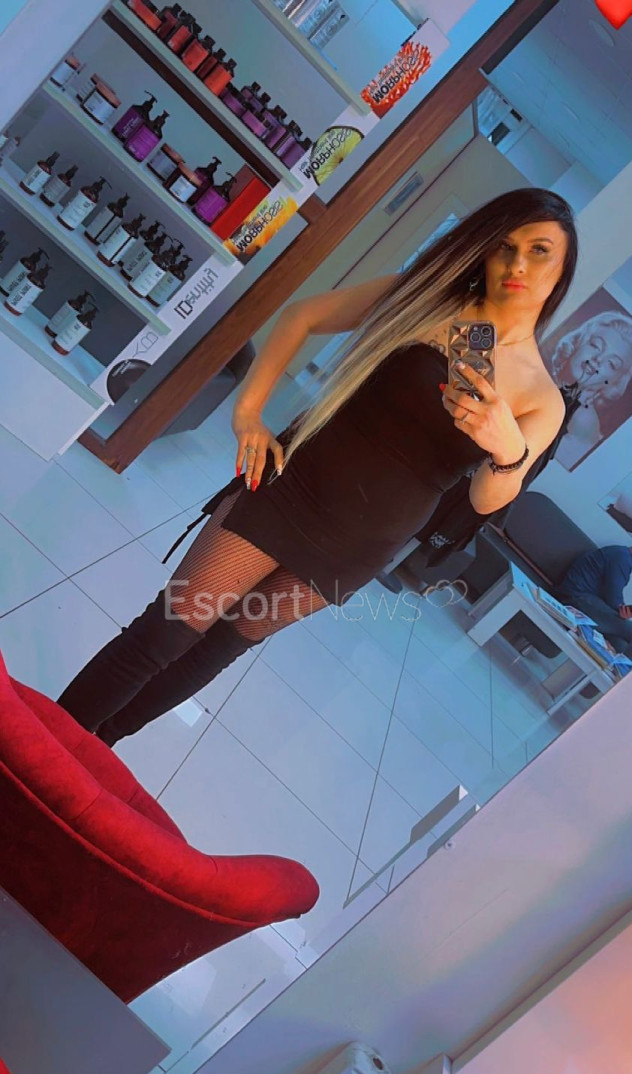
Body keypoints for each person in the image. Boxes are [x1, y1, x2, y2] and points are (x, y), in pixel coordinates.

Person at [57, 187, 578, 745]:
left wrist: (507, 448)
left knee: (217, 649)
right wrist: (248, 412)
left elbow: (483, 499)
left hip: (361, 542)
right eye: (505, 246)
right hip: (294, 484)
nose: (517, 264)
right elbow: (302, 316)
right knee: (168, 631)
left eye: (539, 251)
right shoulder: (423, 299)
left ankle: (90, 751)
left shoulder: (542, 398)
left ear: (563, 268)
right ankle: (35, 743)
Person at [551, 310, 632, 469]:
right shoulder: (542, 378)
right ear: (578, 342)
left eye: (612, 364)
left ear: (616, 382)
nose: (598, 360)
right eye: (596, 345)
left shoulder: (582, 422)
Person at [557, 544, 632, 654]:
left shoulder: (621, 555)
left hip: (589, 602)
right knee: (629, 629)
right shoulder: (621, 558)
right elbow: (613, 597)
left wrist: (621, 612)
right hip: (575, 598)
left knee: (621, 646)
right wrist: (621, 611)